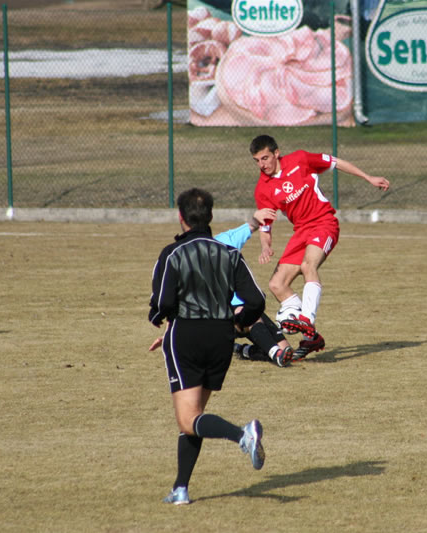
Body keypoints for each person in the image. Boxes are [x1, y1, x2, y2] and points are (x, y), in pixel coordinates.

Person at [148, 188, 267, 505]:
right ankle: (181, 489)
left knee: (188, 419)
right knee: (195, 415)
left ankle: (242, 435)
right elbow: (256, 300)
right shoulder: (229, 253)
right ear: (211, 217)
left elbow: (162, 303)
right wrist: (238, 321)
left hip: (185, 335)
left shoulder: (172, 254)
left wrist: (164, 321)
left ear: (181, 217)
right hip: (221, 337)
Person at [249, 134, 390, 361]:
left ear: (276, 153)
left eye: (265, 158)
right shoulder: (263, 188)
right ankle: (309, 334)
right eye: (257, 160)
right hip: (301, 232)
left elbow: (335, 162)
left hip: (324, 222)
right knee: (277, 284)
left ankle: (307, 320)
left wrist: (368, 177)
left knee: (308, 265)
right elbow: (265, 226)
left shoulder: (301, 159)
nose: (262, 164)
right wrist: (265, 246)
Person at [215, 207, 295, 367]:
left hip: (245, 307)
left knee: (287, 350)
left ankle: (242, 350)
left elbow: (250, 226)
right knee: (252, 314)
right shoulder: (191, 254)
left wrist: (258, 218)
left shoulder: (224, 240)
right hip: (222, 315)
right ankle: (276, 354)